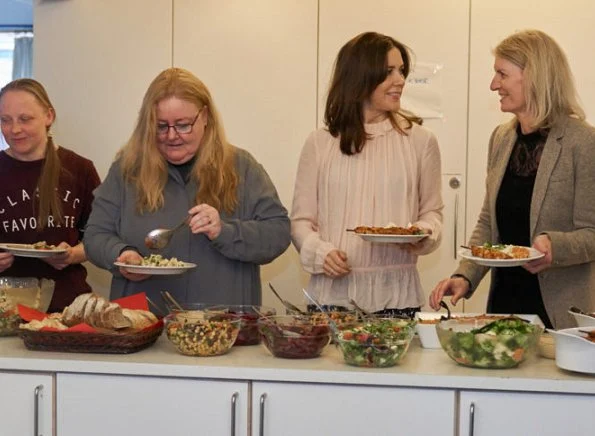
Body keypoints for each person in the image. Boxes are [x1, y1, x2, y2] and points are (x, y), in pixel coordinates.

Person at [429, 29, 595, 329]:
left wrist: (555, 246)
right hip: (504, 306)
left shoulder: (582, 142)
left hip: (560, 317)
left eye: (502, 74)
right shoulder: (501, 138)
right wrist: (464, 275)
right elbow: (488, 223)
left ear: (534, 76)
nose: (494, 85)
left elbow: (592, 233)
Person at [83, 67, 290, 307]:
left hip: (223, 328)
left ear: (205, 117)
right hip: (143, 328)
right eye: (161, 126)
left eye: (183, 125)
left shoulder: (241, 167)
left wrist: (225, 231)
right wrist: (120, 254)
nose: (171, 136)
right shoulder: (127, 170)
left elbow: (278, 233)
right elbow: (95, 235)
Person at [291, 32, 443, 317]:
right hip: (331, 297)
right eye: (388, 72)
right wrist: (320, 253)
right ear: (359, 78)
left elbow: (432, 213)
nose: (400, 80)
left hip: (397, 299)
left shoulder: (422, 141)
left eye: (401, 71)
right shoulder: (320, 143)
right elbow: (301, 222)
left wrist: (426, 234)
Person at [0, 78, 101, 312]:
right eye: (6, 120)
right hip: (6, 312)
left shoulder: (80, 169)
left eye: (25, 119)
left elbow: (102, 237)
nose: (14, 129)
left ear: (49, 116)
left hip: (67, 309)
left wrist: (74, 255)